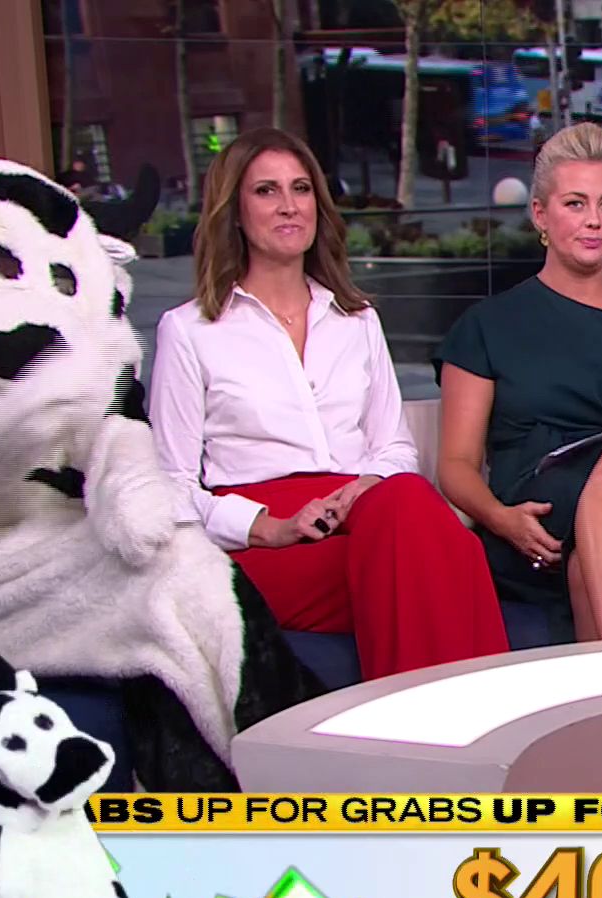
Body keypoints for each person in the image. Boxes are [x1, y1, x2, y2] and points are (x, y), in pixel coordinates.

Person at [150, 128, 509, 681]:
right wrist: (267, 526)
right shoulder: (189, 329)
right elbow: (171, 488)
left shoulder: (356, 318)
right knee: (448, 557)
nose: (289, 205)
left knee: (406, 505)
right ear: (234, 212)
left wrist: (361, 490)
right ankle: (477, 721)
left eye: (301, 189)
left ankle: (419, 732)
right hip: (265, 541)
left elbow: (393, 447)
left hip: (366, 515)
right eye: (266, 191)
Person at [435, 123, 602, 642]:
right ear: (540, 214)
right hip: (535, 522)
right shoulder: (487, 326)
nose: (594, 221)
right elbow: (455, 463)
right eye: (575, 204)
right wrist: (501, 518)